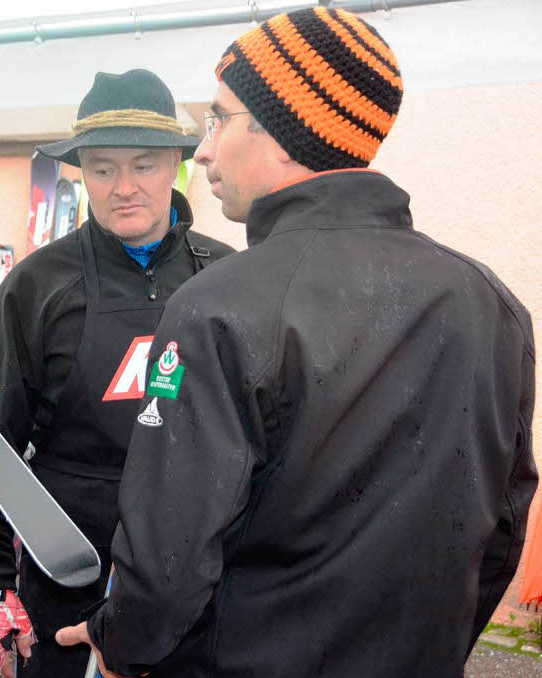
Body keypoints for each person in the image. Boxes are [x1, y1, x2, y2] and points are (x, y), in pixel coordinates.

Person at [55, 7, 538, 677]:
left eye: (220, 118)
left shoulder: (218, 306)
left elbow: (169, 551)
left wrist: (121, 643)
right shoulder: (490, 301)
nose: (204, 148)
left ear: (282, 132)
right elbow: (504, 520)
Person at [0, 69, 236, 678]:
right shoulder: (37, 285)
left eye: (145, 165)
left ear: (176, 168)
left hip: (190, 571)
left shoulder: (228, 279)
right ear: (81, 172)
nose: (124, 187)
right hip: (64, 562)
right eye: (103, 168)